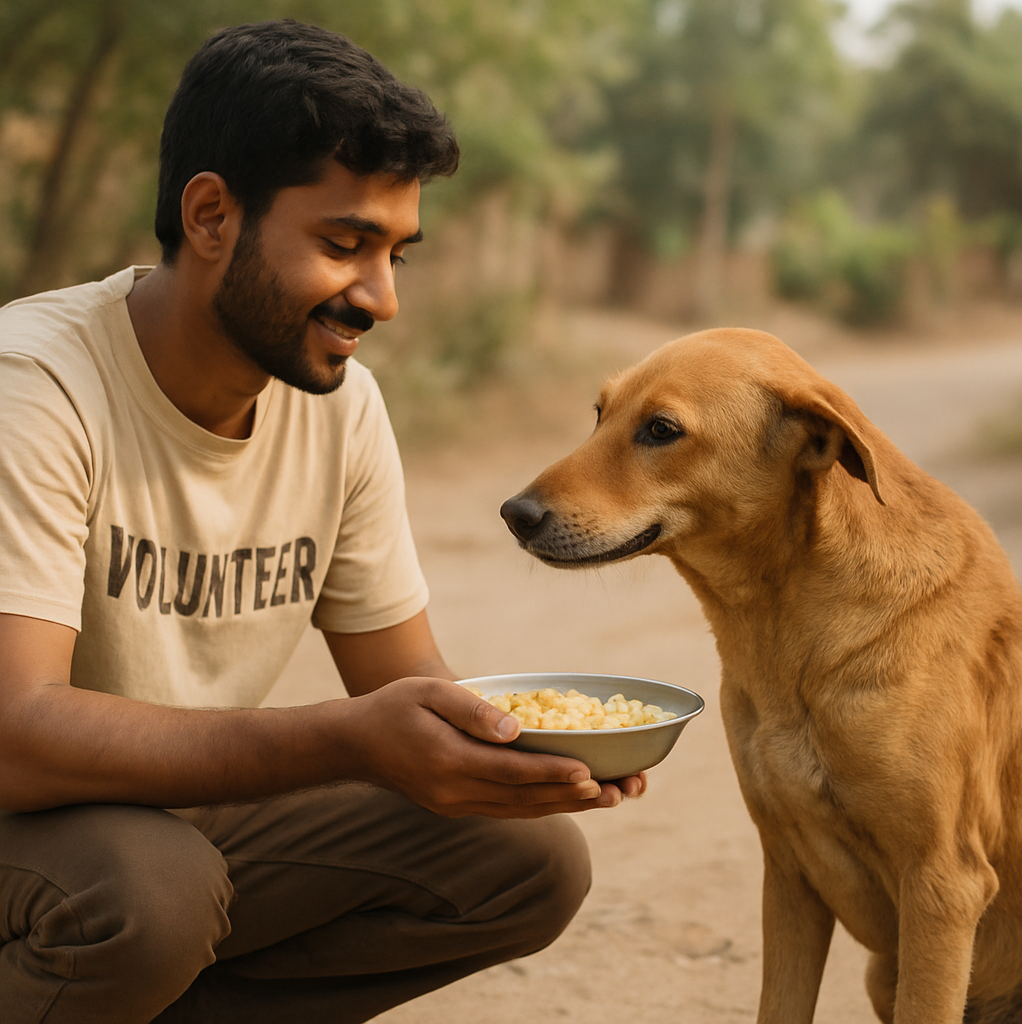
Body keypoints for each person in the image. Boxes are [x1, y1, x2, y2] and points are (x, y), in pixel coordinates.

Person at [0, 19, 646, 1024]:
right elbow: (18, 737)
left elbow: (401, 690)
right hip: (29, 810)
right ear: (211, 214)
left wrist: (522, 752)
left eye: (396, 253)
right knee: (146, 893)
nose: (381, 298)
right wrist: (348, 739)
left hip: (148, 815)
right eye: (344, 244)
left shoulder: (339, 407)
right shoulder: (34, 386)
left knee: (523, 860)